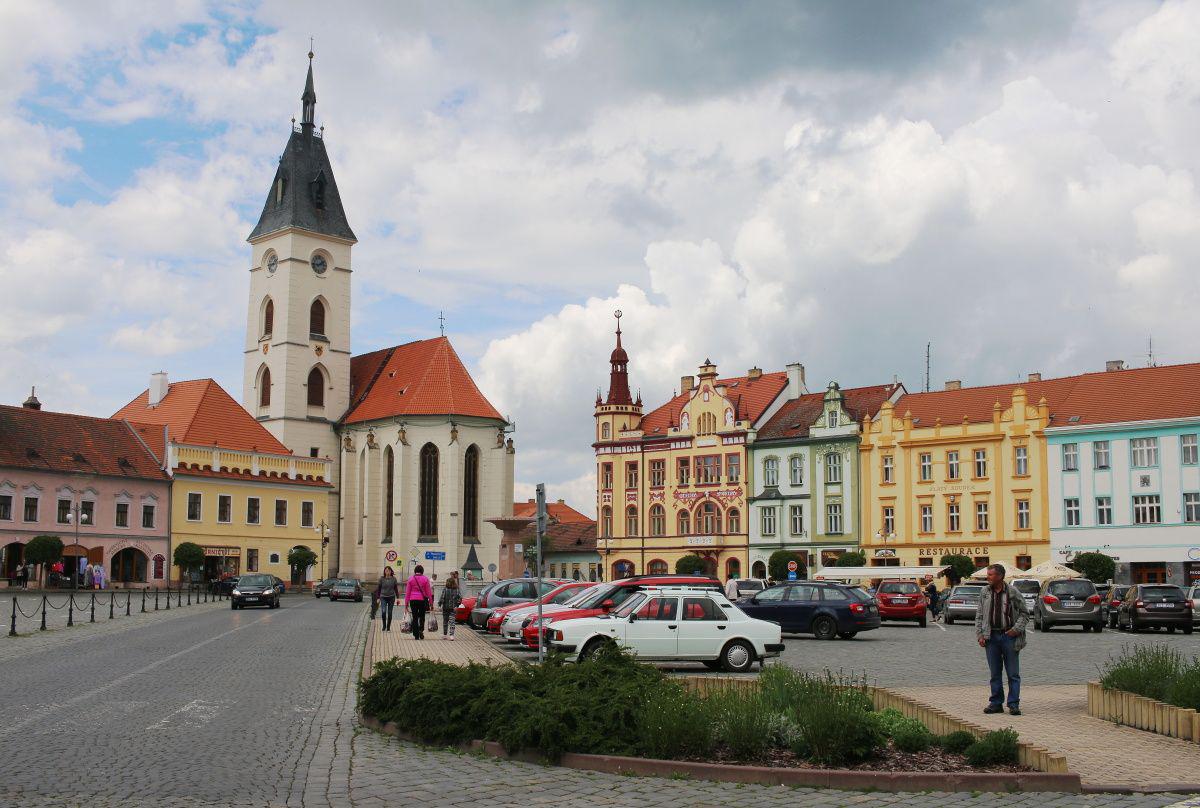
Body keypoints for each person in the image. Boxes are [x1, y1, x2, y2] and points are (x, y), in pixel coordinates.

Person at [975, 563, 1029, 716]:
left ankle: (1013, 704)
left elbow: (1025, 614)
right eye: (988, 574)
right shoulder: (984, 592)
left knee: (1013, 673)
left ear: (1000, 576)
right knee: (995, 673)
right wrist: (980, 634)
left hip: (1008, 637)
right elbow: (979, 615)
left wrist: (1015, 630)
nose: (988, 577)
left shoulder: (1012, 592)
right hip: (991, 637)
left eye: (991, 575)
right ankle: (996, 703)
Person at [404, 564, 434, 640]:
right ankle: (421, 630)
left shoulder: (410, 579)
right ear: (422, 571)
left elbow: (407, 592)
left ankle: (416, 634)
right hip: (422, 600)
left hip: (413, 600)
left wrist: (406, 604)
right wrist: (431, 603)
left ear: (415, 571)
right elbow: (429, 592)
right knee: (422, 616)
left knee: (414, 617)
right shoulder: (425, 579)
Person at [439, 570, 461, 640]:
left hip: (445, 608)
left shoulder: (445, 589)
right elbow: (460, 599)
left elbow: (442, 598)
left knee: (445, 621)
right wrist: (457, 606)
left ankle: (445, 635)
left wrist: (440, 605)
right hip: (453, 608)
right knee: (452, 622)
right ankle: (452, 635)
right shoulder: (457, 590)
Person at [375, 567, 399, 631]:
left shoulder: (394, 579)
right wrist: (378, 598)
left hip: (391, 597)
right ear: (384, 572)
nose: (387, 572)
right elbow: (379, 589)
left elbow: (396, 589)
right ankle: (384, 625)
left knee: (390, 612)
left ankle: (388, 627)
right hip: (383, 597)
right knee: (383, 611)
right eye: (386, 571)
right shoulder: (381, 579)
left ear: (391, 571)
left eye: (388, 571)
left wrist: (398, 598)